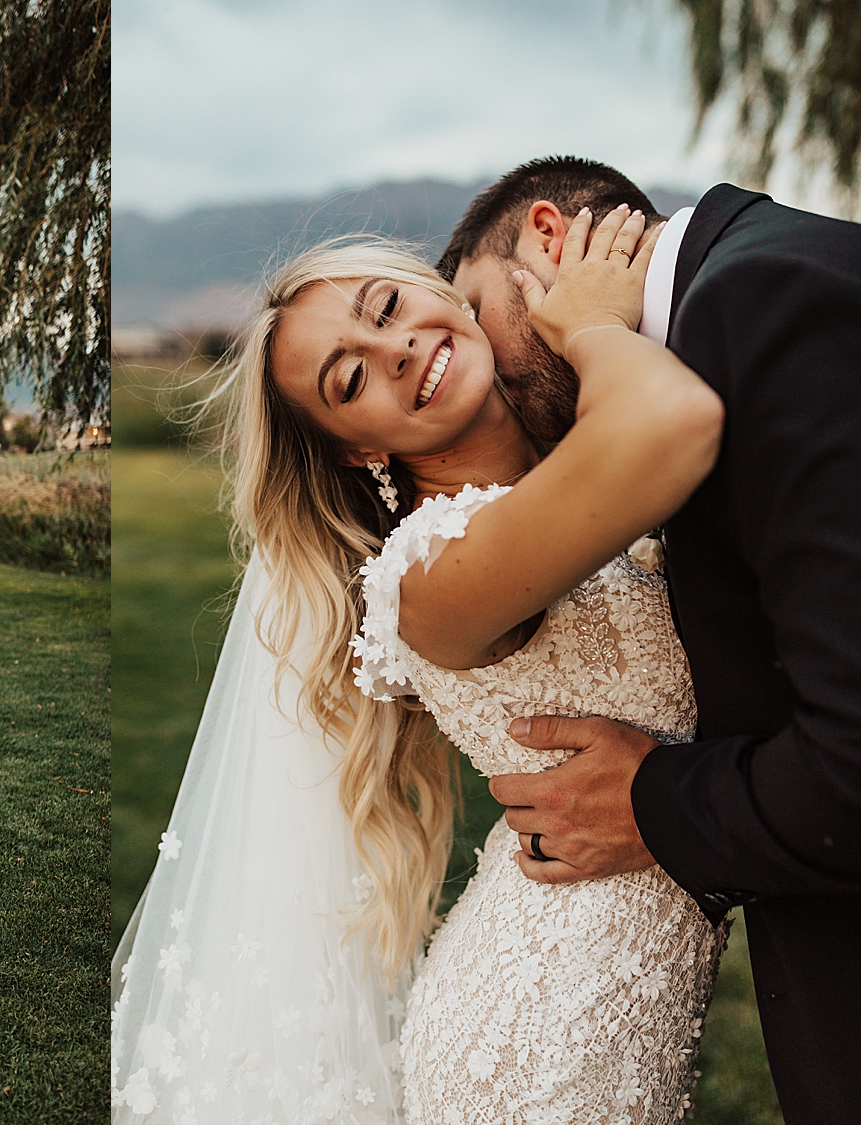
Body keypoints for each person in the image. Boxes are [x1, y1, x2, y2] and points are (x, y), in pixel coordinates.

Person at [113, 206, 728, 1123]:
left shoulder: (565, 476)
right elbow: (677, 418)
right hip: (534, 1044)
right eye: (351, 374)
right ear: (360, 446)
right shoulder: (430, 575)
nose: (395, 347)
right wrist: (593, 324)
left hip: (615, 1007)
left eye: (389, 305)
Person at [443, 155, 861, 1124]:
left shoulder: (763, 308)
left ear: (547, 240)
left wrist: (652, 801)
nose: (487, 382)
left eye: (476, 317)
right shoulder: (743, 302)